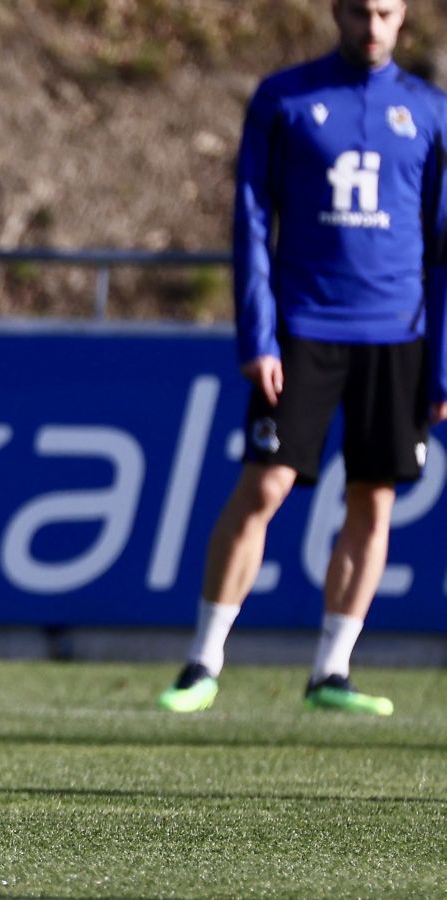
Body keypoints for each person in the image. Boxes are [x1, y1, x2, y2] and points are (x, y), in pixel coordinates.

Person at [158, 0, 447, 716]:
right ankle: (203, 659)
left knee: (372, 499)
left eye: (384, 12)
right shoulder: (285, 98)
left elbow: (442, 250)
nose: (371, 26)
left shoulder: (429, 112)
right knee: (265, 488)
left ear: (403, 15)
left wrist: (441, 364)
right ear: (335, 12)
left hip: (396, 336)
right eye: (358, 11)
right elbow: (252, 222)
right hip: (304, 328)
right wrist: (258, 335)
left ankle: (332, 670)